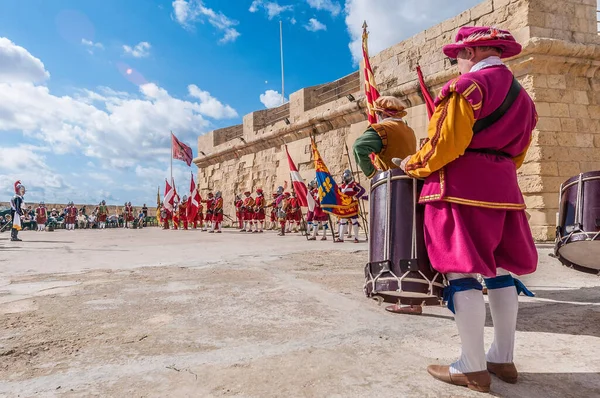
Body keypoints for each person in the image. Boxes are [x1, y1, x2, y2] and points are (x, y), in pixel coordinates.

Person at [394, 27, 537, 392]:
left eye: (457, 56)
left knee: (461, 274)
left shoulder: (467, 88)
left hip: (460, 190)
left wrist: (412, 163)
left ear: (471, 53)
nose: (456, 63)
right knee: (501, 272)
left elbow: (445, 144)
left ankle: (471, 366)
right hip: (505, 189)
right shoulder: (524, 99)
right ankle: (502, 358)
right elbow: (518, 152)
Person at [336, 170, 366, 243]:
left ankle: (356, 238)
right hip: (344, 206)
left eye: (345, 177)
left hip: (352, 205)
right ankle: (341, 237)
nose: (344, 179)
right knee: (343, 221)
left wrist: (356, 196)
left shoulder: (354, 184)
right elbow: (337, 193)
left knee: (354, 221)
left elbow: (362, 190)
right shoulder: (342, 186)